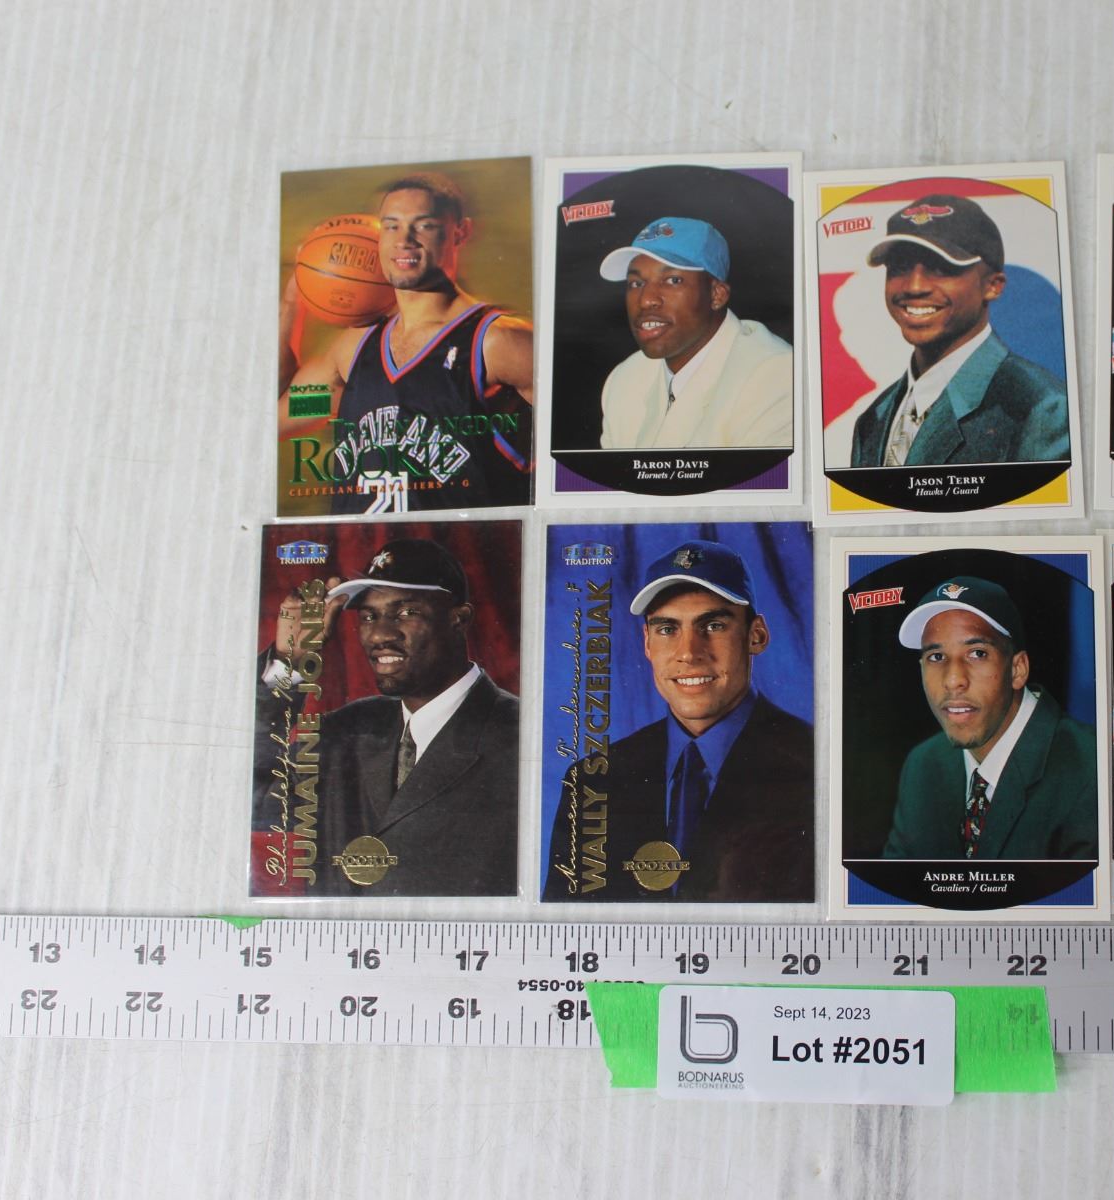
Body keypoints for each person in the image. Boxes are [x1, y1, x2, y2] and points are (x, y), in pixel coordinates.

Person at [543, 539, 812, 901]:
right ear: (647, 643)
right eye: (668, 629)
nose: (688, 653)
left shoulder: (818, 767)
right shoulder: (592, 780)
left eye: (713, 625)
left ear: (756, 635)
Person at [263, 538, 520, 896]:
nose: (380, 634)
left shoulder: (523, 738)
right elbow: (253, 800)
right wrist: (288, 664)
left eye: (406, 612)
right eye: (369, 616)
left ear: (459, 619)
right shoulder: (342, 734)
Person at [280, 172, 535, 513]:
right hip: (360, 547)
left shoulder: (496, 342)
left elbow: (583, 448)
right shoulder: (355, 350)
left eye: (424, 225)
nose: (404, 240)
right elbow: (279, 414)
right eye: (391, 226)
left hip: (460, 546)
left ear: (460, 232)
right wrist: (293, 301)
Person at [881, 577, 1096, 860]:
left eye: (977, 653)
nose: (953, 680)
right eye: (936, 657)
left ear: (1017, 669)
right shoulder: (924, 766)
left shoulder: (1090, 766)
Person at [848, 195, 1070, 468]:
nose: (914, 286)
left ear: (993, 285)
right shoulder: (874, 418)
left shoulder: (1042, 408)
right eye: (899, 268)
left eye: (941, 268)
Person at [595, 217, 793, 450]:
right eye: (636, 283)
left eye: (672, 280)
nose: (646, 300)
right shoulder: (625, 379)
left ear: (717, 295)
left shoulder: (774, 376)